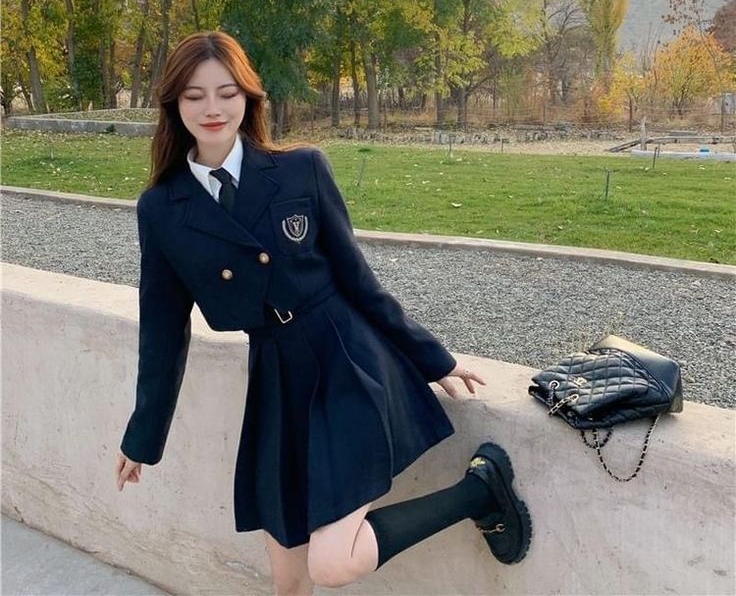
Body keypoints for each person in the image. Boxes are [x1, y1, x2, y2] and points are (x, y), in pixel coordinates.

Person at [114, 30, 531, 594]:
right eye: (194, 96)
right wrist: (143, 436)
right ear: (172, 104)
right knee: (288, 578)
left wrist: (433, 358)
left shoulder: (300, 170)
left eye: (226, 92)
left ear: (249, 98)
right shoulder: (163, 208)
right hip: (276, 381)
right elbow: (163, 329)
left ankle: (479, 491)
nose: (212, 109)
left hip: (344, 361)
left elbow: (359, 280)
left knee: (332, 565)